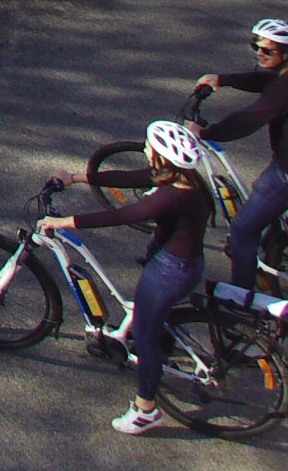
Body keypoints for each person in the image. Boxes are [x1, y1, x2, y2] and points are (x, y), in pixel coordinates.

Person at [42, 119, 211, 435]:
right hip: (178, 262)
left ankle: (146, 409)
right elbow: (133, 176)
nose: (145, 150)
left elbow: (121, 215)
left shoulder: (170, 195)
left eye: (150, 147)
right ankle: (158, 334)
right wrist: (78, 178)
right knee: (148, 317)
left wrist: (65, 222)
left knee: (145, 337)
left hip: (170, 271)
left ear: (162, 157)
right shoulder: (185, 179)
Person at [195, 18, 288, 291]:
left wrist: (205, 132)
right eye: (256, 47)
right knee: (261, 189)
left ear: (287, 53)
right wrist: (222, 81)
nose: (259, 53)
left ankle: (242, 299)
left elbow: (249, 119)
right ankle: (270, 247)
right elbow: (263, 79)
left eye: (267, 51)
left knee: (242, 230)